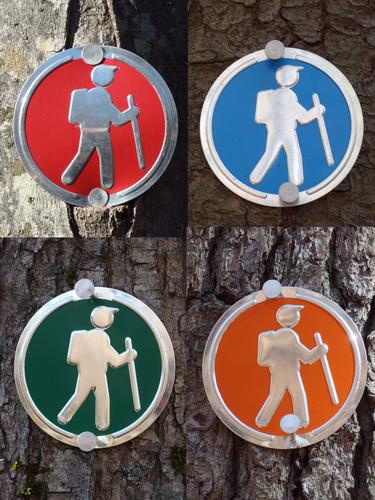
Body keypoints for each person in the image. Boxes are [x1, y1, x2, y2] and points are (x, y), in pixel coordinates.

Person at [58, 306, 137, 431]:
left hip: (88, 374)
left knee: (82, 396)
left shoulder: (89, 338)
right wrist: (128, 355)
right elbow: (115, 360)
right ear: (107, 320)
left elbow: (114, 360)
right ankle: (102, 423)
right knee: (100, 397)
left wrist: (128, 356)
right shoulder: (102, 338)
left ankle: (65, 417)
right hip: (97, 375)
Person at [61, 65, 140, 189]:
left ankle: (69, 176)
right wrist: (131, 113)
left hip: (86, 132)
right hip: (102, 133)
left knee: (83, 154)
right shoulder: (103, 98)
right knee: (106, 156)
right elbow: (118, 119)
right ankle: (107, 182)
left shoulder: (86, 97)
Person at [250, 65, 326, 187]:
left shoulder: (271, 98)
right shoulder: (289, 99)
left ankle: (255, 176)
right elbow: (304, 118)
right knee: (293, 153)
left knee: (269, 153)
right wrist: (318, 110)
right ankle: (296, 180)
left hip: (273, 132)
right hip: (288, 133)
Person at [256, 304, 328, 429]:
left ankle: (262, 420)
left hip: (277, 372)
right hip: (291, 372)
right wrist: (320, 350)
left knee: (275, 396)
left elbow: (262, 360)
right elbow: (306, 357)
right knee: (298, 394)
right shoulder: (290, 337)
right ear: (294, 319)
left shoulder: (267, 337)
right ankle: (303, 422)